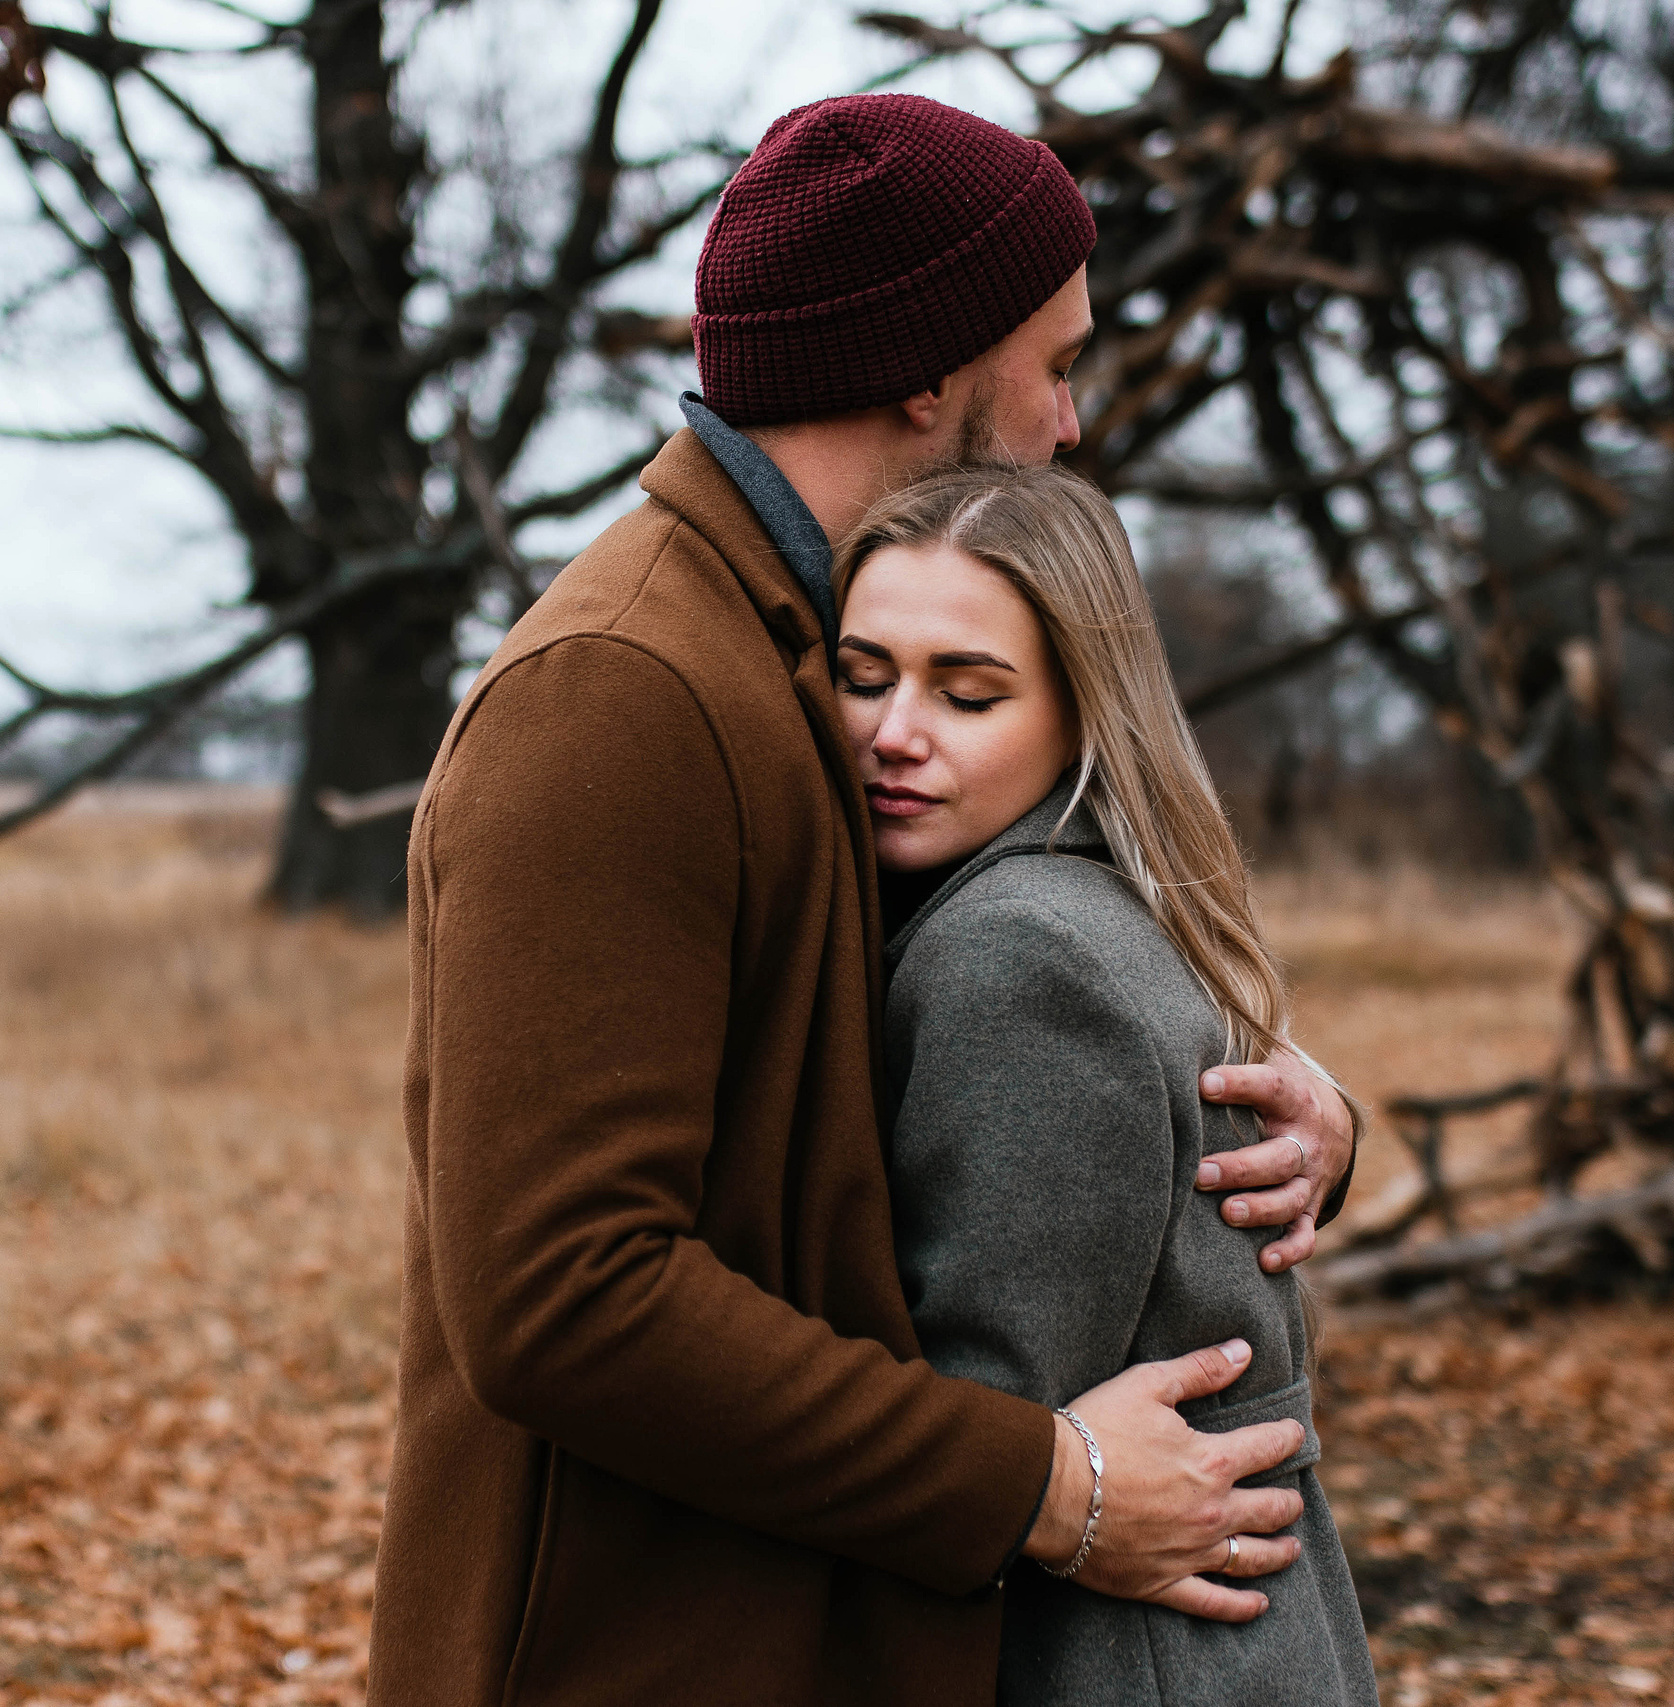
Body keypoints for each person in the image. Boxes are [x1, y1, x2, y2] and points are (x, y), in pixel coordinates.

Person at [368, 94, 1360, 1707]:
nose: (1070, 417)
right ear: (933, 367)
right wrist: (1048, 1484)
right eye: (1056, 361)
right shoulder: (622, 687)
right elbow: (561, 1292)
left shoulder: (812, 654)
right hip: (631, 1646)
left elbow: (972, 974)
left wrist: (1260, 1099)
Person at [837, 464, 1380, 1705]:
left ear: (1085, 713)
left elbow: (989, 1411)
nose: (894, 732)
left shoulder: (1012, 954)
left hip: (1118, 1659)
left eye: (967, 694)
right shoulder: (1079, 904)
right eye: (863, 676)